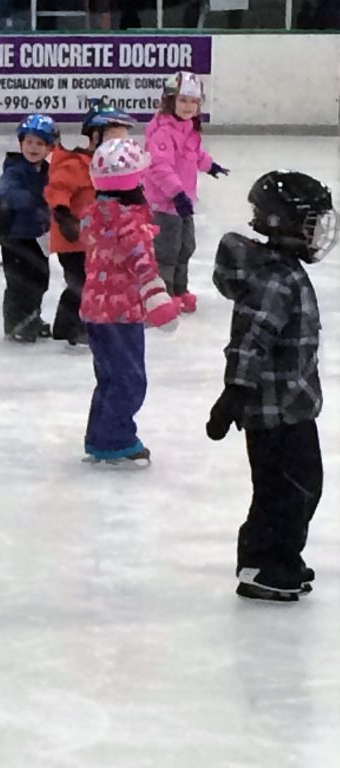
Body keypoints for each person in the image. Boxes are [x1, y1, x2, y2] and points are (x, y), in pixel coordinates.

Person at [206, 171, 334, 602]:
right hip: (273, 410)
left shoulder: (284, 270)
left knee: (302, 486)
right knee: (281, 489)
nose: (318, 233)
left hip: (293, 403)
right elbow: (251, 338)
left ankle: (283, 555)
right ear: (281, 223)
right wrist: (235, 393)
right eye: (310, 223)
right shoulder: (273, 278)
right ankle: (262, 564)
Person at [79, 138, 179, 467]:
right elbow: (144, 267)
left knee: (109, 378)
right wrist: (159, 303)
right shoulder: (131, 224)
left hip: (95, 311)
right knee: (129, 380)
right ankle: (115, 440)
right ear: (135, 183)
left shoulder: (93, 215)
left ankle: (99, 436)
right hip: (121, 314)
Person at [45, 98, 136, 346]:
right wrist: (64, 217)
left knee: (85, 284)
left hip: (93, 241)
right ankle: (75, 328)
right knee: (82, 284)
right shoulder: (76, 164)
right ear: (95, 136)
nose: (122, 143)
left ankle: (65, 328)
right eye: (115, 136)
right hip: (72, 239)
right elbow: (57, 190)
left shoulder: (109, 168)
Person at [143, 72, 228, 313]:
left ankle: (180, 289)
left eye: (193, 101)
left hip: (183, 201)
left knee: (185, 247)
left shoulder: (188, 128)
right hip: (164, 203)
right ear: (170, 101)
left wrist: (210, 165)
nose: (188, 106)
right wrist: (176, 193)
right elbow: (159, 167)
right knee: (166, 251)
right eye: (182, 100)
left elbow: (194, 154)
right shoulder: (162, 132)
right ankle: (163, 295)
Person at [0, 113, 57, 342]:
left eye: (39, 143)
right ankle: (16, 323)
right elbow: (5, 191)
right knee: (18, 283)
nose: (33, 148)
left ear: (49, 147)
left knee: (39, 280)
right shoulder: (14, 170)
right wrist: (33, 201)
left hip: (38, 236)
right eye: (28, 142)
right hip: (15, 237)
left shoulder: (47, 172)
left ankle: (32, 317)